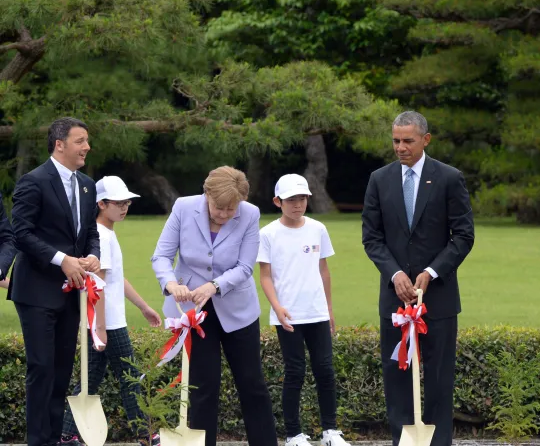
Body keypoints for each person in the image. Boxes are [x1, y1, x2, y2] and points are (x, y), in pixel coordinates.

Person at [361, 111, 475, 446]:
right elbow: (372, 238)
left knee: (439, 382)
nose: (400, 147)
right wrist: (395, 273)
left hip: (437, 301)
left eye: (407, 140)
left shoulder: (449, 178)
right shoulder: (378, 180)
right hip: (395, 300)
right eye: (396, 140)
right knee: (397, 381)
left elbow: (463, 236)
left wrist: (431, 272)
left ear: (425, 139)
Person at [151, 166, 278, 446]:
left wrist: (215, 285)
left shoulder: (250, 214)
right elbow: (161, 256)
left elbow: (245, 266)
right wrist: (172, 284)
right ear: (206, 193)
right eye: (219, 207)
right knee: (203, 387)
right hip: (193, 313)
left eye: (231, 209)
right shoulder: (183, 208)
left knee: (252, 384)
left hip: (237, 310)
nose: (224, 214)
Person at [9, 117, 101, 446]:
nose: (87, 147)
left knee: (62, 371)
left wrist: (92, 256)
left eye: (87, 141)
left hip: (70, 294)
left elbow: (90, 233)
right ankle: (39, 441)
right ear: (59, 144)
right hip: (36, 291)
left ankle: (52, 439)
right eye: (80, 141)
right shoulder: (33, 182)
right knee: (42, 368)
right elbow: (21, 233)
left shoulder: (88, 185)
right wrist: (63, 260)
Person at [60, 176, 162, 446]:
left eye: (127, 202)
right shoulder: (101, 236)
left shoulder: (106, 233)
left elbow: (118, 279)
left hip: (104, 322)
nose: (124, 207)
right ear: (101, 204)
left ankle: (68, 434)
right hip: (108, 323)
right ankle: (146, 434)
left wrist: (143, 307)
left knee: (89, 380)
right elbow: (98, 285)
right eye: (118, 203)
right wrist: (101, 328)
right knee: (131, 375)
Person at [257, 173, 350, 446]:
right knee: (295, 371)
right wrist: (277, 307)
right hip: (288, 314)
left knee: (325, 369)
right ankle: (293, 434)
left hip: (317, 312)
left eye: (302, 198)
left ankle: (330, 431)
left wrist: (329, 309)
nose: (298, 204)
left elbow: (323, 270)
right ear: (278, 201)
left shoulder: (318, 229)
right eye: (291, 200)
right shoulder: (268, 234)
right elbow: (265, 275)